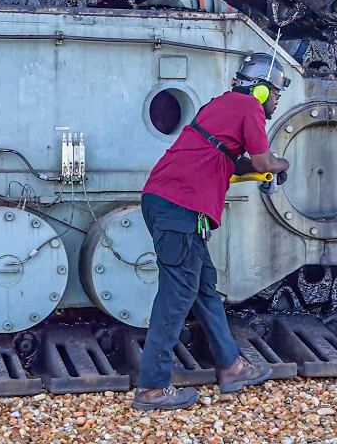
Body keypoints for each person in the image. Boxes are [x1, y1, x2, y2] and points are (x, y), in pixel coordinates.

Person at [132, 52, 292, 410]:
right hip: (180, 207)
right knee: (177, 295)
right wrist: (282, 164)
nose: (277, 100)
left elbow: (232, 162)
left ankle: (231, 366)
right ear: (261, 90)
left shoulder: (219, 105)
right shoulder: (249, 107)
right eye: (276, 92)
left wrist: (262, 169)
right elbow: (263, 160)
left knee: (203, 286)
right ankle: (152, 388)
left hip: (167, 201)